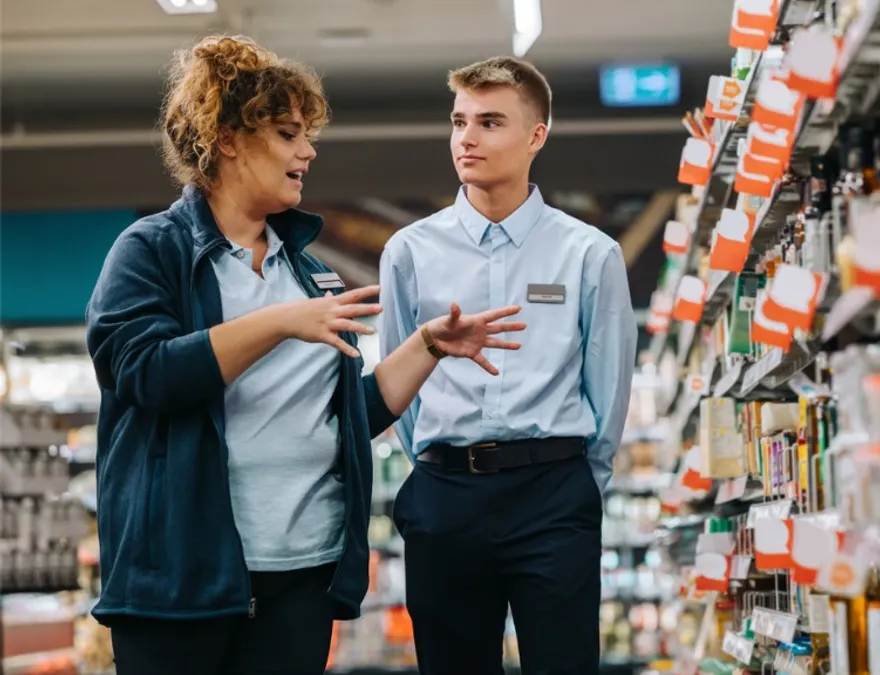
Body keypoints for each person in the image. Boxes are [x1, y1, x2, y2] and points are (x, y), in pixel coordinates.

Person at [84, 35, 525, 675]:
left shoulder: (310, 274)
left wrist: (429, 346)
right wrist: (279, 323)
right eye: (289, 134)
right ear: (228, 137)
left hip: (300, 573)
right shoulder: (153, 251)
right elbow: (143, 373)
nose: (308, 151)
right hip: (181, 578)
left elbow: (347, 416)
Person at [379, 56, 638, 675]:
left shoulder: (589, 254)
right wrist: (440, 467)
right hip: (445, 496)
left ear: (536, 136)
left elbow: (609, 391)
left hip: (553, 495)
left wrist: (576, 487)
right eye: (458, 121)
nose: (466, 138)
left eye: (490, 122)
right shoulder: (409, 252)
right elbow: (398, 388)